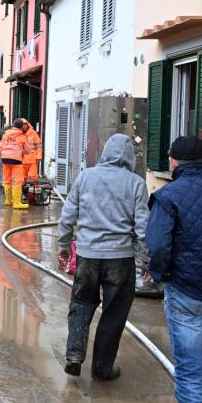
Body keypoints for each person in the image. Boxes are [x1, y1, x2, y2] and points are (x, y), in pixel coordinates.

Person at [57, 134, 148, 381]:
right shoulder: (136, 183)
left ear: (105, 152)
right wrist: (146, 262)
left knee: (81, 304)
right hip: (120, 260)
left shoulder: (86, 177)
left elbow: (67, 218)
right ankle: (102, 368)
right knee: (114, 312)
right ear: (129, 158)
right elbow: (143, 229)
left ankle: (74, 354)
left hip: (87, 256)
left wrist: (64, 246)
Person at [145, 136, 202, 403]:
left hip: (186, 290)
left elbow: (158, 245)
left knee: (188, 365)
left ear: (173, 162)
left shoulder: (168, 196)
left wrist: (158, 274)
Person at [0, 119, 27, 209]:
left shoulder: (5, 134)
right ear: (21, 127)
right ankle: (17, 203)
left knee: (7, 180)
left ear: (13, 125)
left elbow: (0, 147)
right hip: (16, 160)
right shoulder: (22, 135)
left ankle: (8, 201)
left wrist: (4, 155)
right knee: (18, 181)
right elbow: (26, 149)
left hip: (5, 159)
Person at [16, 118, 42, 199]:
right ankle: (23, 194)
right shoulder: (18, 134)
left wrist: (39, 156)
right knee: (21, 178)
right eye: (22, 125)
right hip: (21, 160)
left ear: (27, 125)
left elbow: (39, 146)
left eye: (25, 124)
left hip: (32, 160)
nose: (23, 126)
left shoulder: (33, 133)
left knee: (33, 177)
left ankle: (34, 195)